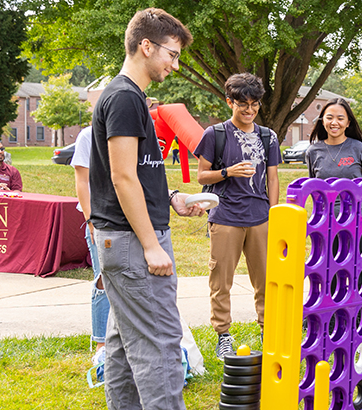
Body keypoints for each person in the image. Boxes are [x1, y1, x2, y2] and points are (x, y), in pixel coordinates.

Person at [88, 8, 203, 410]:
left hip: (122, 241)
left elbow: (141, 170)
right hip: (132, 243)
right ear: (146, 46)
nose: (175, 64)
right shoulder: (123, 98)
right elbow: (121, 177)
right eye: (172, 54)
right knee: (160, 345)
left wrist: (172, 198)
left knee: (122, 345)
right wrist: (152, 244)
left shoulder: (131, 97)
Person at [193, 72, 281, 360]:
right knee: (221, 281)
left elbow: (273, 178)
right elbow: (201, 176)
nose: (249, 110)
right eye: (243, 104)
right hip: (226, 215)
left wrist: (274, 214)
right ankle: (223, 335)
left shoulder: (268, 136)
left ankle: (269, 330)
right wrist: (228, 172)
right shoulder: (215, 134)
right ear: (229, 101)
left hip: (260, 218)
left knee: (266, 280)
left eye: (254, 104)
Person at [71, 126, 109, 371]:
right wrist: (91, 220)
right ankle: (101, 347)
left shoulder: (134, 129)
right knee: (103, 281)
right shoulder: (89, 135)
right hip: (100, 219)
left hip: (131, 218)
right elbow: (81, 180)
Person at [305, 98, 362, 181]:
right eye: (329, 118)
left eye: (340, 119)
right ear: (322, 121)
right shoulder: (312, 152)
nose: (334, 123)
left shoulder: (361, 149)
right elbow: (313, 186)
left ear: (348, 123)